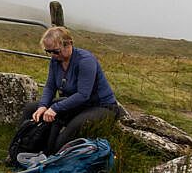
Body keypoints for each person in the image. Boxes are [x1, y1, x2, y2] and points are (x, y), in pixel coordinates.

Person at [18, 26, 119, 154]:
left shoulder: (85, 61)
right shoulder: (56, 61)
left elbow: (83, 95)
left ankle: (50, 155)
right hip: (75, 104)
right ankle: (20, 150)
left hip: (101, 106)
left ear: (69, 44)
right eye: (49, 52)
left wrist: (55, 108)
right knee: (31, 109)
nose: (53, 56)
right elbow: (50, 86)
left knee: (63, 140)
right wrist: (43, 106)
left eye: (56, 51)